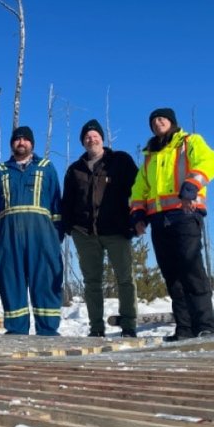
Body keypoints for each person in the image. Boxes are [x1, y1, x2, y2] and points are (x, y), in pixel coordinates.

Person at [130, 108, 214, 341]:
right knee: (172, 276)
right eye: (153, 121)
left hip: (185, 213)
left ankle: (205, 325)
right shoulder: (150, 155)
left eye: (162, 119)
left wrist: (192, 185)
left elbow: (210, 160)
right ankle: (184, 328)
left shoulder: (189, 142)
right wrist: (138, 214)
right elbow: (140, 187)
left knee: (191, 270)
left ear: (172, 122)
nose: (157, 123)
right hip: (159, 220)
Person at [62, 119, 139, 338]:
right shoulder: (75, 169)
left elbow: (138, 189)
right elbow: (67, 201)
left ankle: (129, 325)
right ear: (83, 142)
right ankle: (96, 328)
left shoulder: (120, 161)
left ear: (102, 139)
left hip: (116, 229)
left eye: (95, 135)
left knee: (125, 278)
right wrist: (69, 227)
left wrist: (137, 219)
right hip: (84, 232)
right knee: (92, 282)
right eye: (87, 137)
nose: (91, 139)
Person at [0, 126, 63, 336]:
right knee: (11, 281)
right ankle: (16, 333)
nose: (21, 142)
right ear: (12, 144)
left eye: (25, 139)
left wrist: (57, 234)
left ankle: (48, 332)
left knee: (45, 280)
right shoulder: (0, 171)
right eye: (17, 139)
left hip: (42, 236)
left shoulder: (46, 168)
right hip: (8, 237)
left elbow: (56, 204)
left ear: (32, 144)